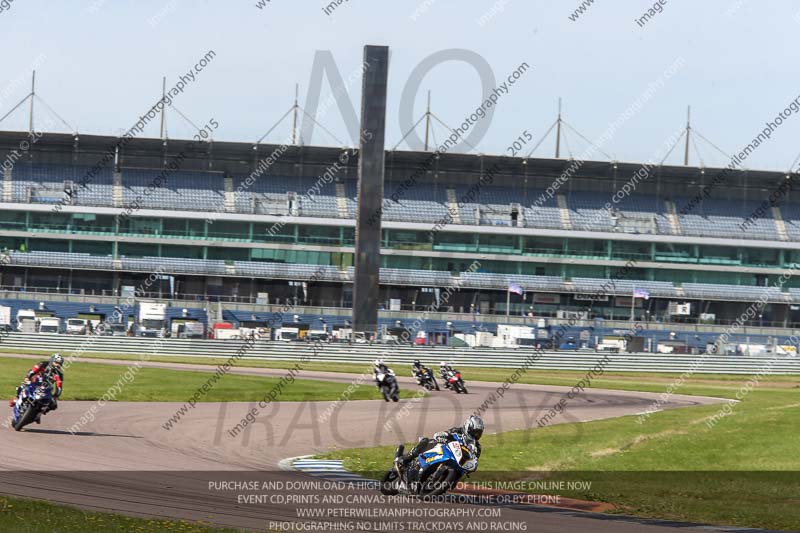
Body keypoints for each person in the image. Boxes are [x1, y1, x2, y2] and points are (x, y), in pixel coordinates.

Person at [395, 415, 484, 477]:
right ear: (468, 427)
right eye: (475, 431)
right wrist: (443, 436)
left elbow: (475, 459)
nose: (476, 434)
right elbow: (446, 433)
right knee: (426, 441)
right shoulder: (458, 431)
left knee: (461, 473)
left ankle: (442, 483)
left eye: (479, 433)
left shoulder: (477, 447)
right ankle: (406, 458)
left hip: (458, 463)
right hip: (445, 450)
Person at [9, 354, 64, 424]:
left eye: (59, 364)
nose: (57, 365)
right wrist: (28, 378)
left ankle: (38, 414)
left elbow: (59, 386)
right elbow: (32, 372)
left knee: (53, 404)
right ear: (51, 361)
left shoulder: (59, 373)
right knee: (23, 386)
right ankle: (17, 398)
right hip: (34, 380)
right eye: (56, 362)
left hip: (46, 388)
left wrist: (56, 396)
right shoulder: (42, 364)